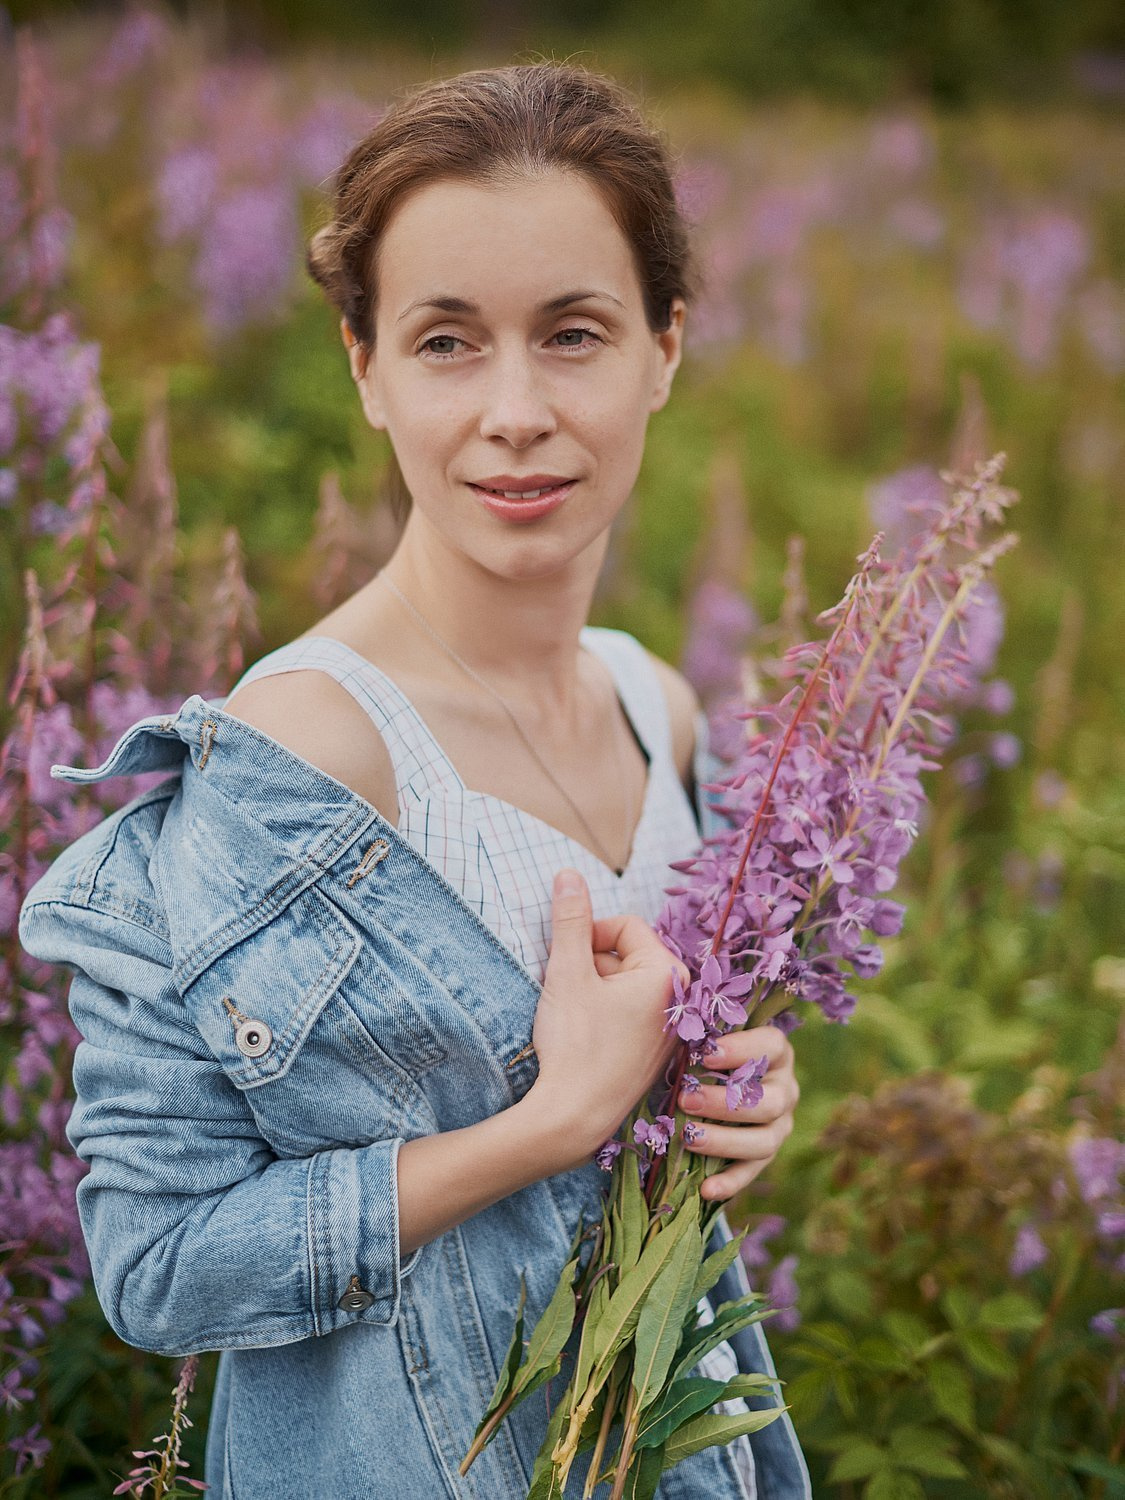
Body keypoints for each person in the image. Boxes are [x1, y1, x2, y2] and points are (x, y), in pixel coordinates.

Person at [19, 62, 809, 1498]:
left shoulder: (660, 707)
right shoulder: (306, 757)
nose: (514, 410)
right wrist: (545, 1129)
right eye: (447, 341)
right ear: (363, 366)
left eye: (572, 333)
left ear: (665, 349)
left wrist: (724, 1091)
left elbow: (643, 1103)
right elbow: (159, 1267)